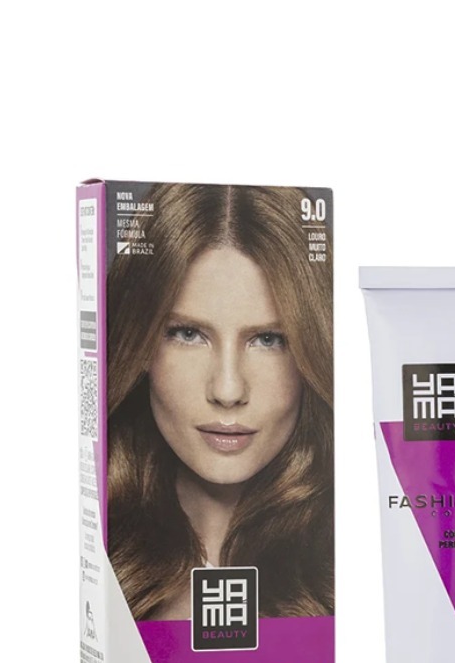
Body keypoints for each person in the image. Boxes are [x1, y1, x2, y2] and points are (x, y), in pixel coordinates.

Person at [106, 183, 333, 620]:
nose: (228, 391)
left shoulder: (345, 560)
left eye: (269, 339)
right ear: (140, 345)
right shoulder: (100, 553)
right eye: (188, 334)